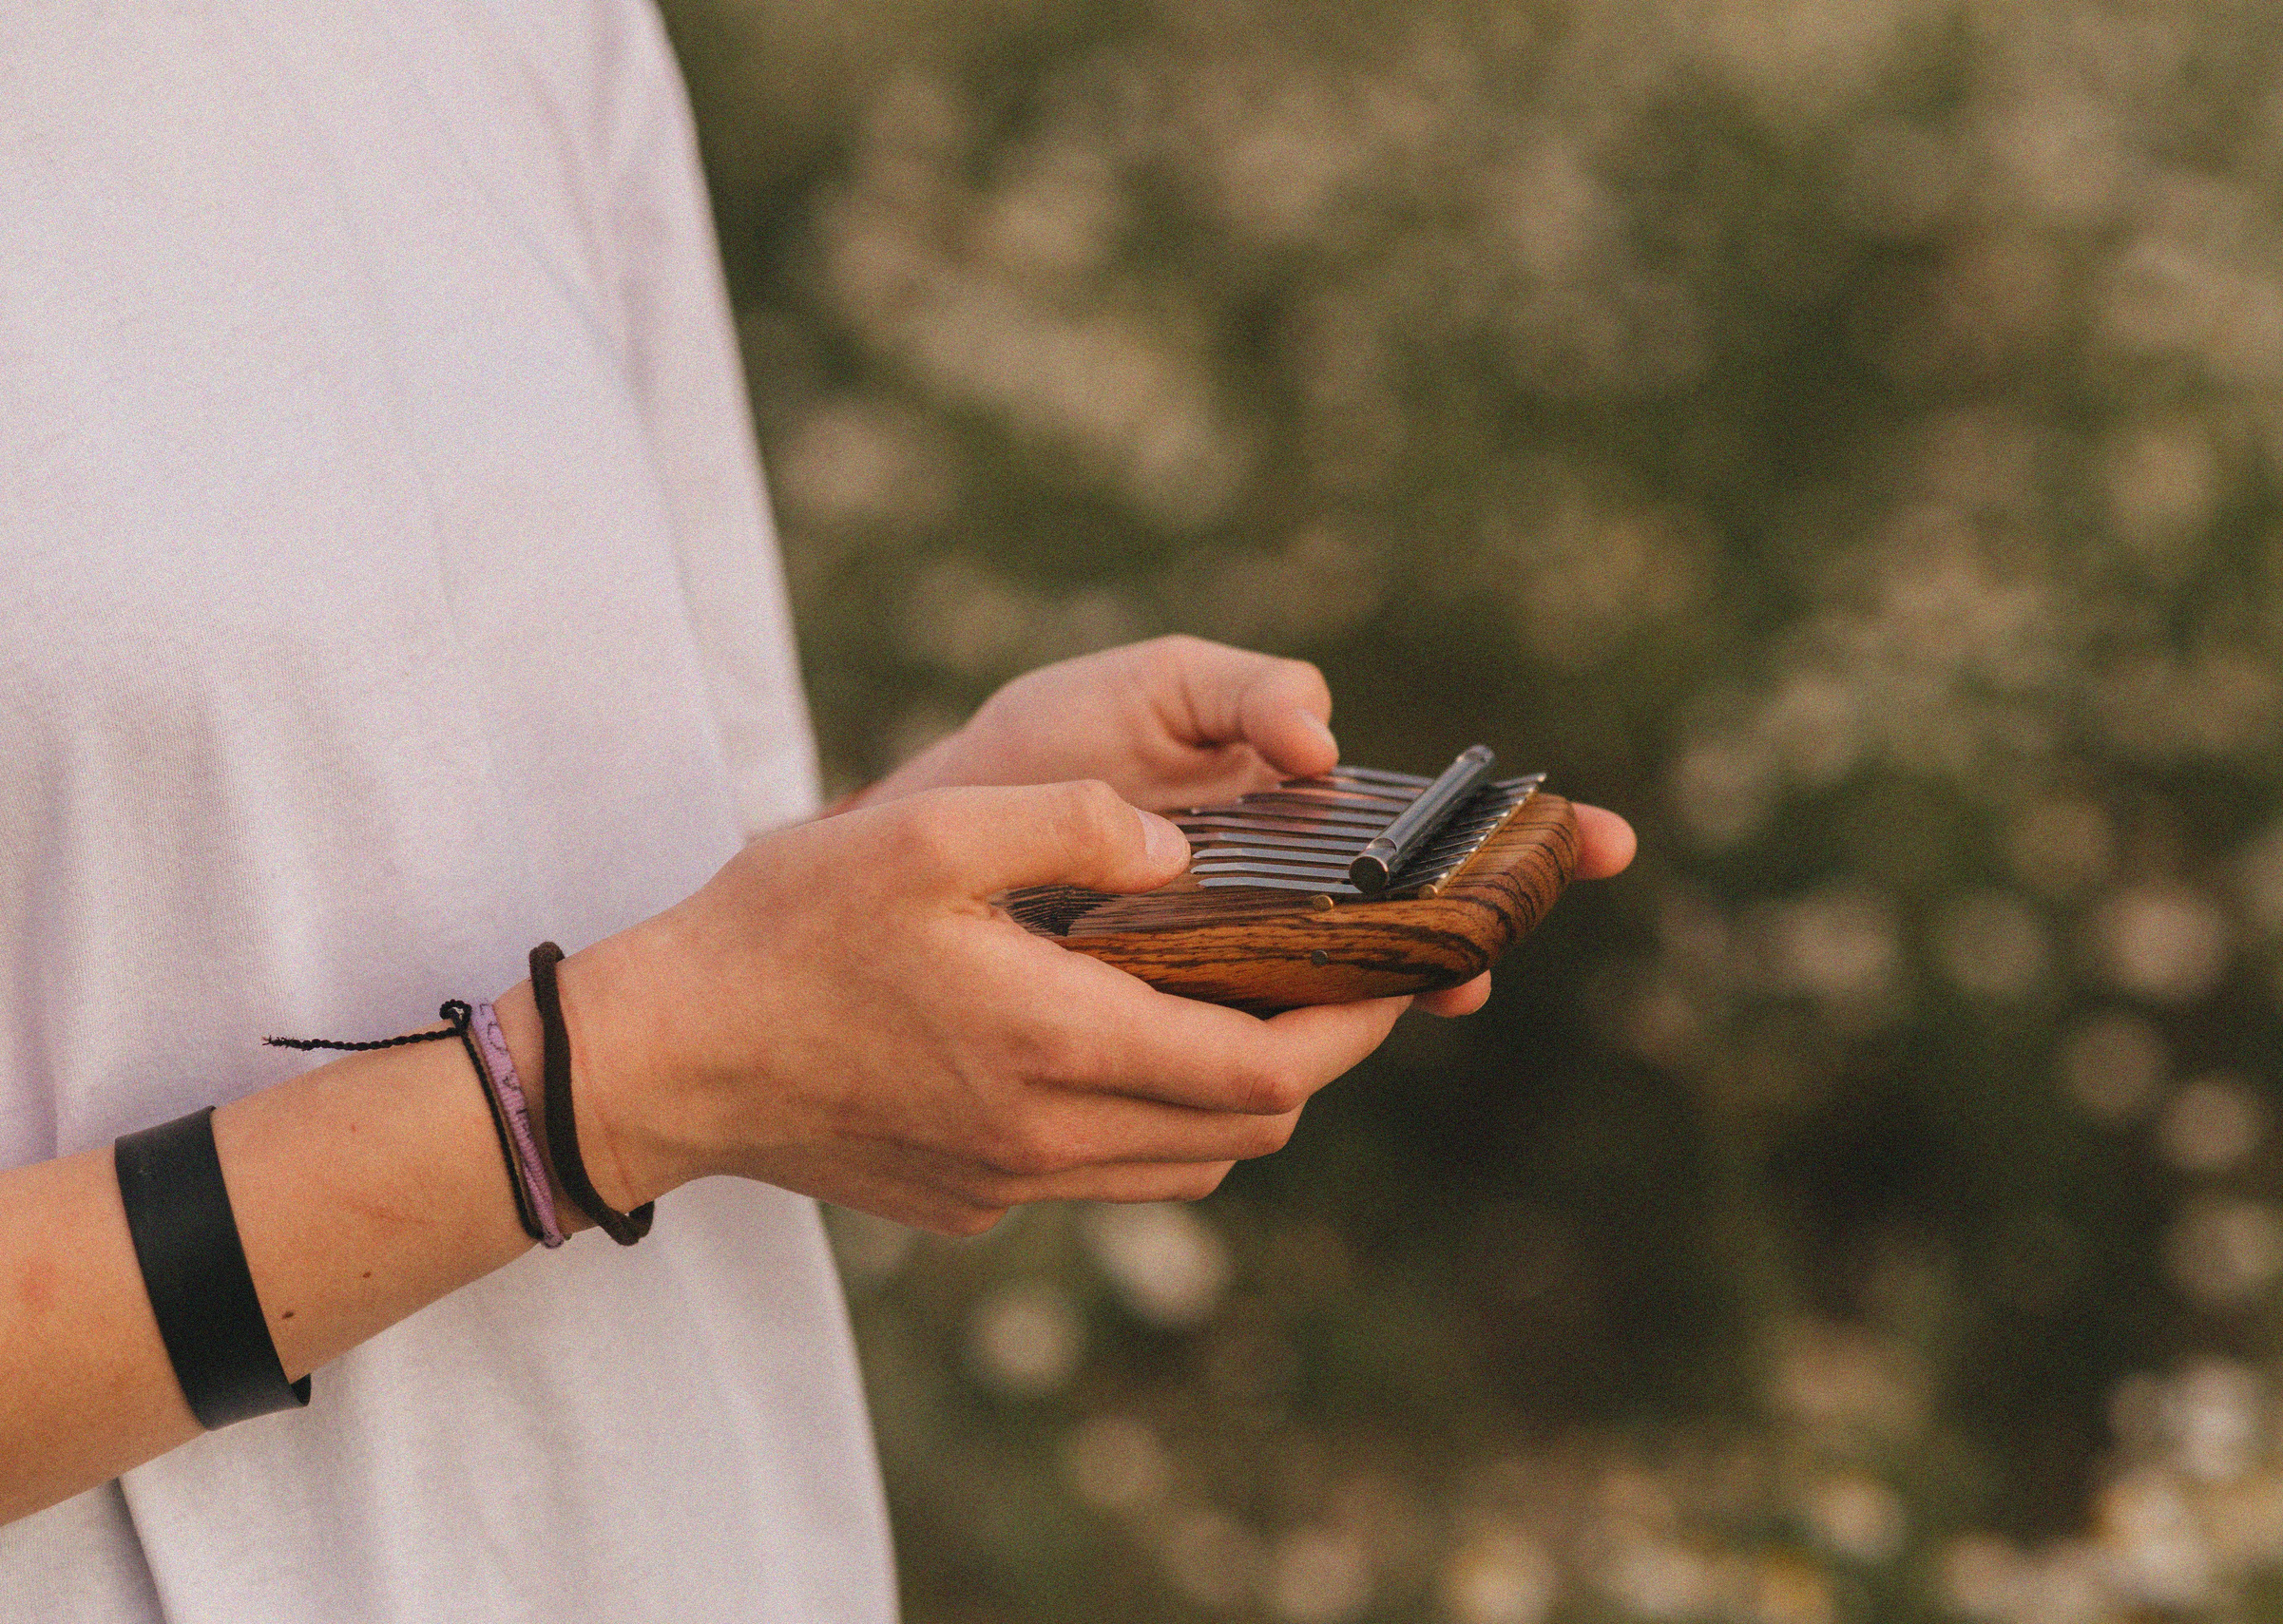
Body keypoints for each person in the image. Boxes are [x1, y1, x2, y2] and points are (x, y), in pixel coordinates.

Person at [0, 1, 1635, 1618]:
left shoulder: (536, 30)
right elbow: (667, 1030)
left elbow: (643, 890)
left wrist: (950, 851)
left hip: (704, 1539)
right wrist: (630, 1084)